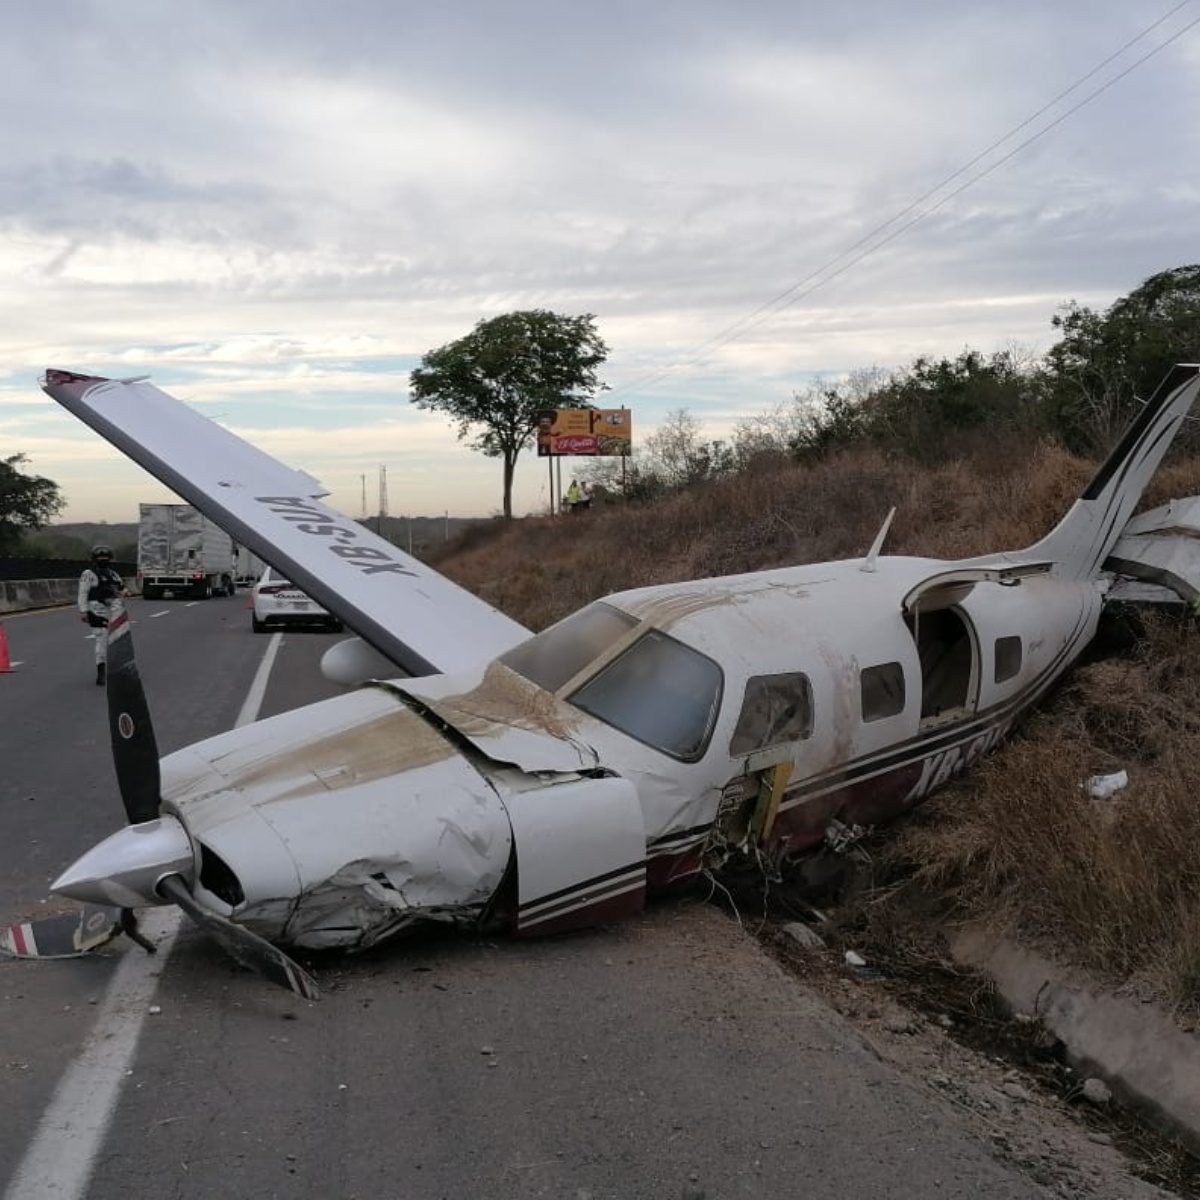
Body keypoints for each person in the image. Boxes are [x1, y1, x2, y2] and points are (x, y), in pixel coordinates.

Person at [78, 545, 126, 685]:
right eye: (100, 558)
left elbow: (122, 589)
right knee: (102, 638)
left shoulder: (113, 574)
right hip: (96, 610)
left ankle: (115, 669)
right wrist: (83, 611)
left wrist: (120, 594)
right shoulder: (88, 574)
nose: (103, 560)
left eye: (105, 558)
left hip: (113, 610)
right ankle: (101, 673)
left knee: (116, 639)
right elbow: (83, 593)